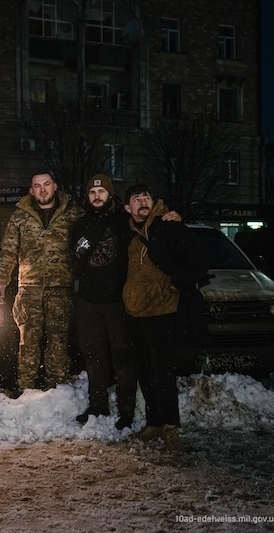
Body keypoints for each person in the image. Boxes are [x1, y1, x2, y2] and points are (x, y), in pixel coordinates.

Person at [71, 175, 181, 430]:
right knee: (94, 355)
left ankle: (126, 409)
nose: (97, 196)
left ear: (110, 194)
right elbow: (74, 258)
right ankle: (97, 404)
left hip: (117, 301)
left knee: (123, 355)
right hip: (87, 301)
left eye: (101, 191)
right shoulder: (80, 224)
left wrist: (172, 215)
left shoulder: (123, 221)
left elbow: (149, 221)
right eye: (92, 192)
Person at [121, 183, 209, 453]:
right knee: (144, 371)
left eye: (146, 197)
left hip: (163, 312)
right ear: (128, 207)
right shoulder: (128, 232)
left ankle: (171, 428)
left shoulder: (169, 227)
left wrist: (177, 283)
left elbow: (198, 260)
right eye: (137, 199)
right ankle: (154, 423)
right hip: (135, 313)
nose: (143, 202)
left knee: (163, 373)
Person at [0, 167, 83, 392]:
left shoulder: (72, 214)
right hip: (29, 289)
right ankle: (26, 389)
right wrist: (0, 281)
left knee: (58, 340)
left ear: (55, 187)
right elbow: (8, 251)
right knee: (27, 341)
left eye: (46, 184)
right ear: (31, 190)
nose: (42, 190)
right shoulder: (20, 216)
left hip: (61, 288)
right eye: (37, 186)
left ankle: (56, 388)